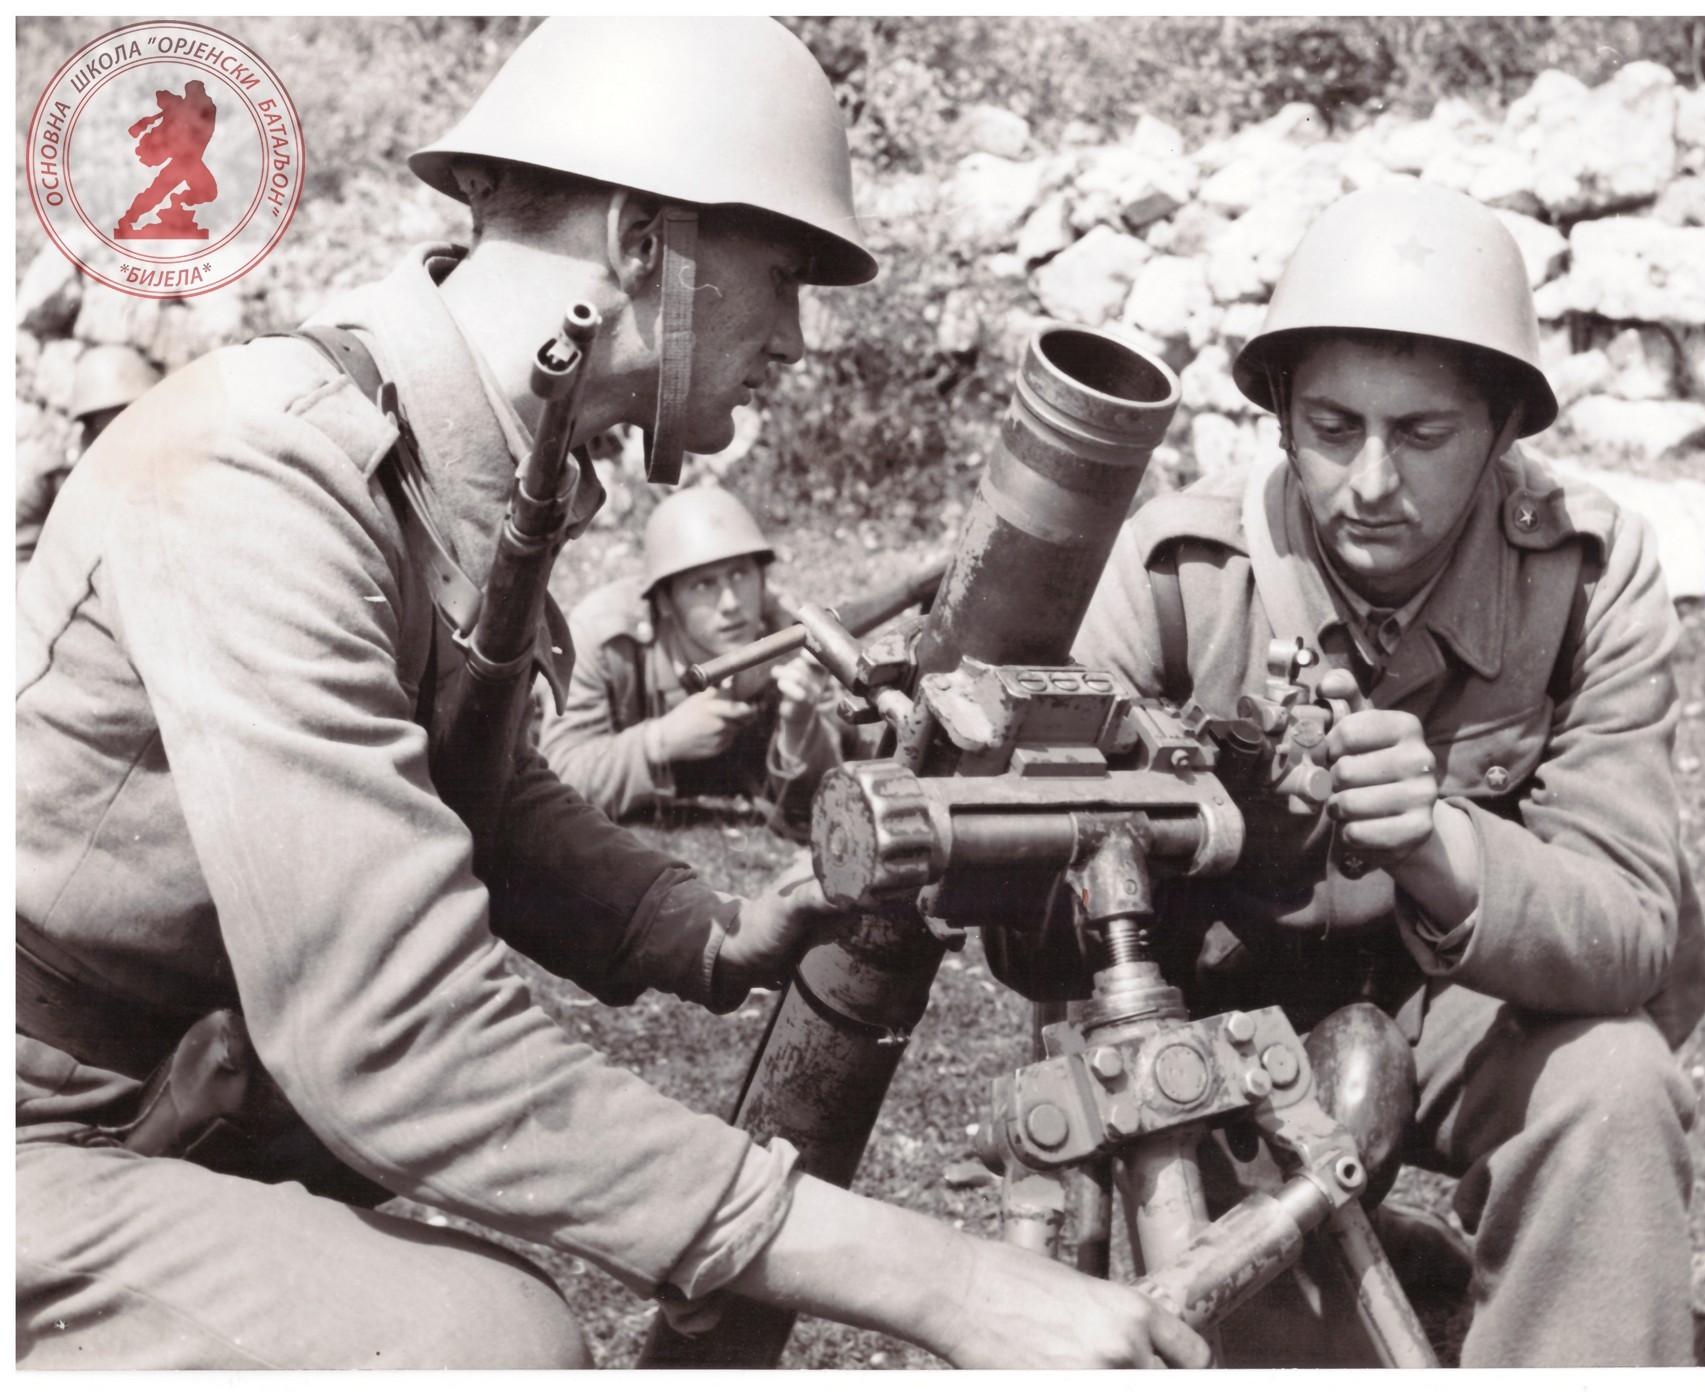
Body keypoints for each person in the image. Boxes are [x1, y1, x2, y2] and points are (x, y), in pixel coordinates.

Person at [15, 17, 1207, 1372]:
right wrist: (953, 1284)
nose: (797, 339)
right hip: (49, 1125)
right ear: (643, 240)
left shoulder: (473, 468)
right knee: (488, 1345)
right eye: (783, 278)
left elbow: (466, 774)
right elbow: (393, 1035)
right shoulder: (260, 477)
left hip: (193, 1087)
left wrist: (695, 927)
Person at [1073, 180, 1705, 1367]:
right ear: (1279, 415)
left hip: (1465, 1000)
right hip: (1220, 1019)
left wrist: (1437, 842)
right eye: (1333, 427)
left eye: (1422, 435)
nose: (1371, 483)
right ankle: (1379, 1262)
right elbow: (1035, 934)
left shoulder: (1585, 578)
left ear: (1504, 428)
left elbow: (1632, 929)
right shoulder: (1173, 576)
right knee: (1281, 1325)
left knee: (1614, 1088)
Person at [543, 486, 845, 836]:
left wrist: (799, 729)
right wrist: (660, 741)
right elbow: (559, 778)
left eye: (740, 575)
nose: (730, 603)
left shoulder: (790, 635)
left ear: (762, 579)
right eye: (703, 585)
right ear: (664, 601)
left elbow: (834, 797)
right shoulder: (604, 639)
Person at [16, 343, 161, 577]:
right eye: (110, 421)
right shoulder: (56, 477)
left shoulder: (179, 464)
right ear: (87, 426)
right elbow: (16, 558)